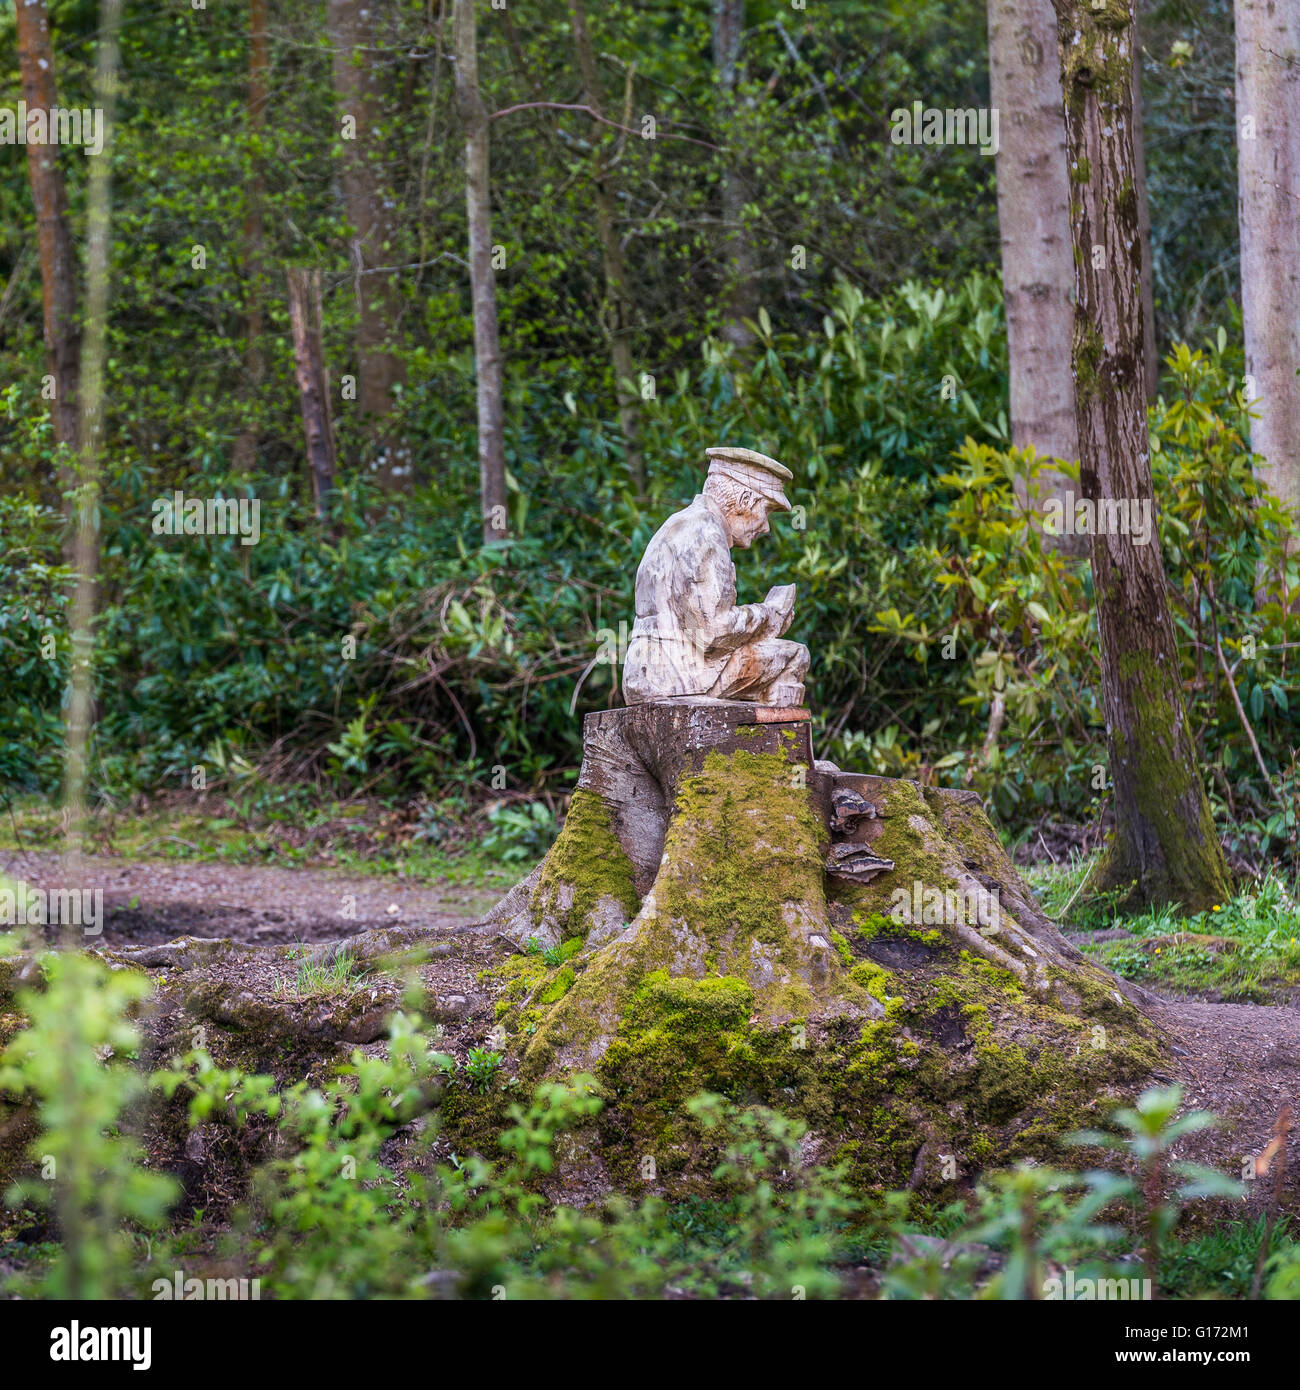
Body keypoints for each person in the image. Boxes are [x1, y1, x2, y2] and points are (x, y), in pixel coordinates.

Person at [622, 446, 810, 707]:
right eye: (766, 512)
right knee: (795, 655)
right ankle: (773, 732)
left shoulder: (680, 523)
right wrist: (769, 615)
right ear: (745, 500)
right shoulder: (706, 533)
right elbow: (713, 634)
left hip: (649, 671)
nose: (765, 527)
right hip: (677, 678)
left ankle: (767, 722)